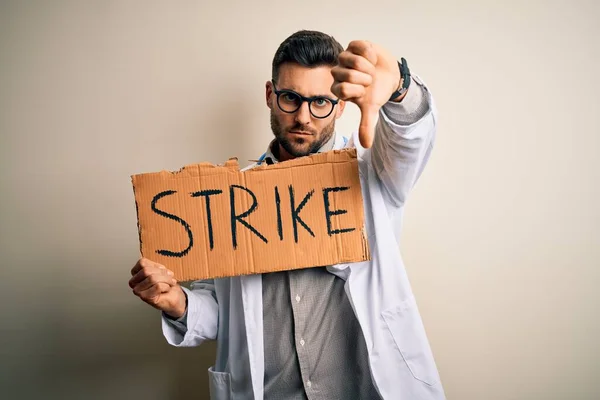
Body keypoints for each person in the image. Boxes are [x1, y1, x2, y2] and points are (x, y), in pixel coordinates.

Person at [129, 30, 446, 400]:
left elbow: (411, 138)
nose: (303, 117)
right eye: (290, 98)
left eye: (320, 102)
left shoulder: (376, 174)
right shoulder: (232, 198)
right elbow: (222, 313)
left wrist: (400, 88)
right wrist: (178, 304)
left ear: (341, 105)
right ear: (269, 95)